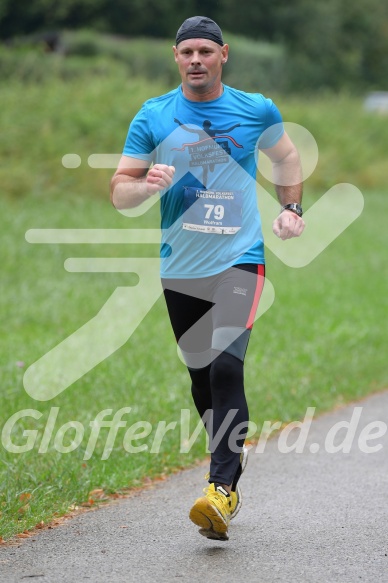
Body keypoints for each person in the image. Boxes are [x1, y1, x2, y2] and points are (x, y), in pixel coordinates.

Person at [110, 16, 305, 541]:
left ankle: (219, 488)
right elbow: (119, 190)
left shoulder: (254, 108)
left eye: (205, 51)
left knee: (224, 367)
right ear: (176, 58)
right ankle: (229, 473)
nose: (195, 59)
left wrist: (292, 207)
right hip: (181, 267)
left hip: (241, 257)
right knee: (201, 380)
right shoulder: (153, 116)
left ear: (224, 55)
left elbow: (286, 157)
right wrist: (145, 185)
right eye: (186, 51)